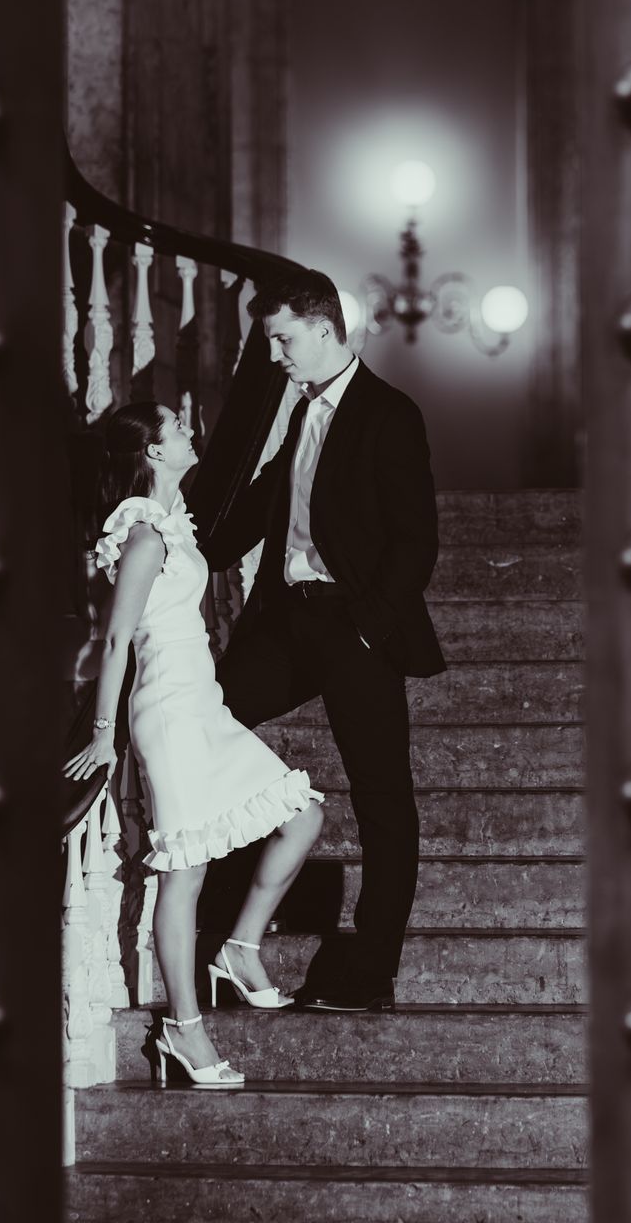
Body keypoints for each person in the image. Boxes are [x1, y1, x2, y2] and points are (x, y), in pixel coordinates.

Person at [201, 268, 444, 1013]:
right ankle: (225, 924)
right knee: (206, 720)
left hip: (354, 626)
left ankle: (370, 973)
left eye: (282, 339)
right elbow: (258, 511)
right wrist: (171, 545)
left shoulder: (388, 413)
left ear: (323, 327)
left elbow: (416, 542)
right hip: (287, 623)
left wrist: (370, 628)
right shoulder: (302, 412)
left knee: (382, 800)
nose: (274, 355)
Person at [64, 401, 326, 1088]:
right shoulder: (144, 536)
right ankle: (184, 1028)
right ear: (154, 452)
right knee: (186, 869)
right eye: (175, 427)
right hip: (170, 713)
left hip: (204, 704)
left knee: (303, 815)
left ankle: (239, 948)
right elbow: (116, 640)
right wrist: (103, 736)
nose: (188, 429)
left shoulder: (169, 523)